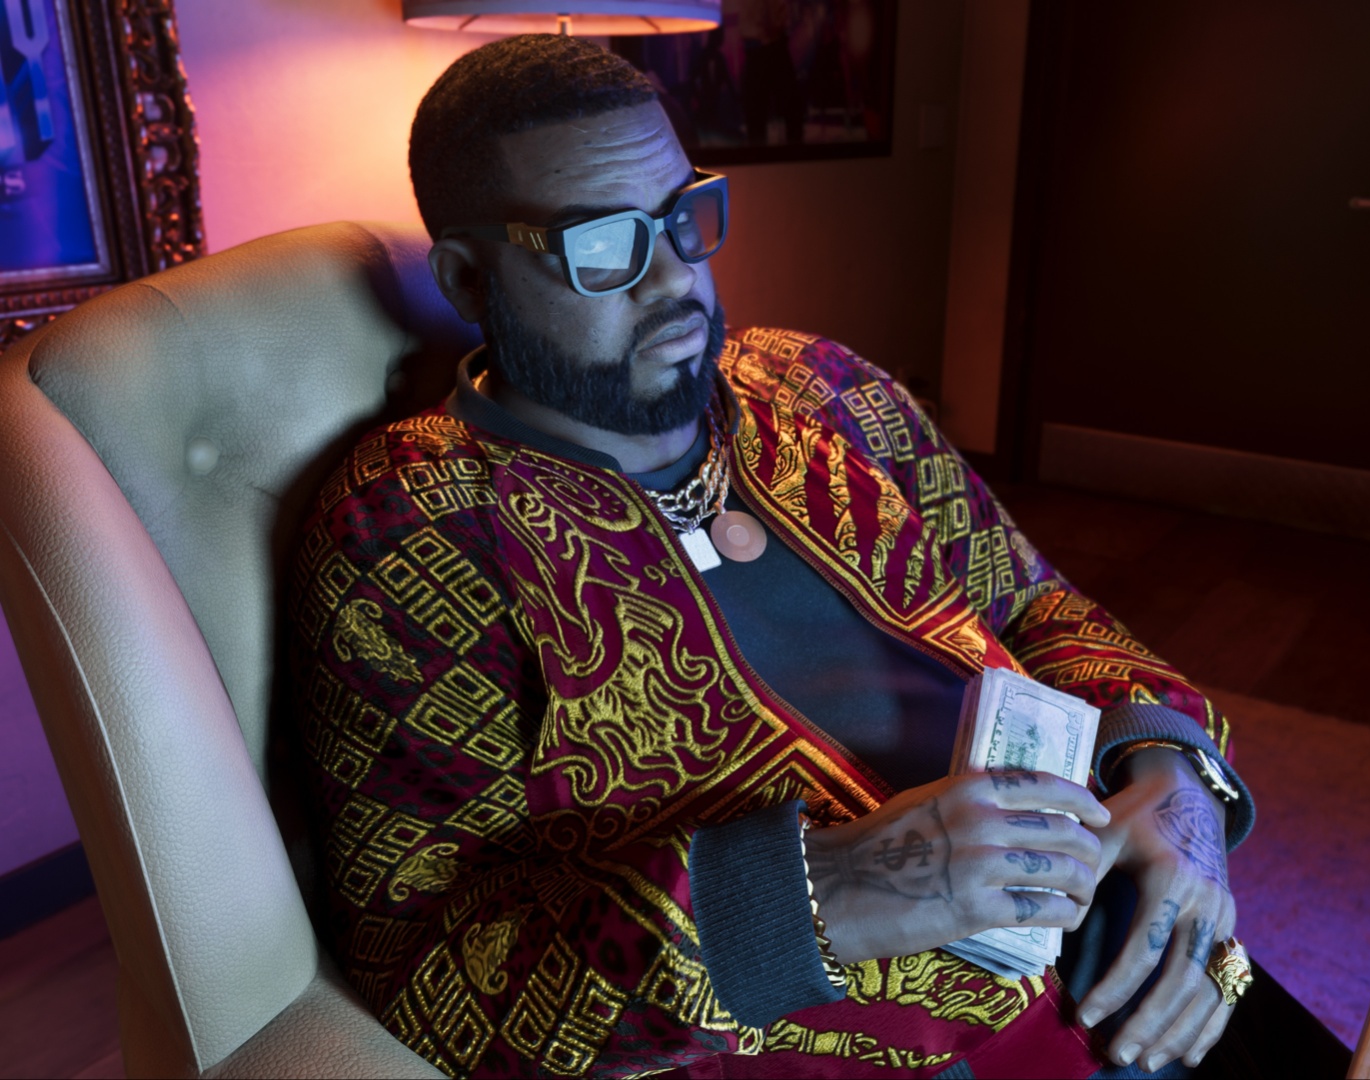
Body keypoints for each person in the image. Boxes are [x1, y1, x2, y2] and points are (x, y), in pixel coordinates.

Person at [289, 35, 1260, 1079]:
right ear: (468, 278)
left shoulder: (822, 388)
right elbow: (420, 963)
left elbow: (1033, 606)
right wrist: (836, 888)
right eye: (603, 245)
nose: (675, 278)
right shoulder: (413, 530)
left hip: (1132, 946)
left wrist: (1176, 780)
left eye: (684, 215)